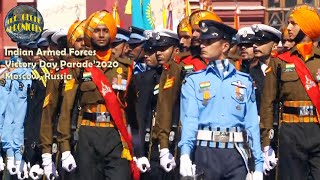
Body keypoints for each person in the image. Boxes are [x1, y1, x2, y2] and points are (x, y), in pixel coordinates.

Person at [55, 10, 139, 180]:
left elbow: (133, 111)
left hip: (116, 137)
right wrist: (64, 147)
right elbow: (66, 109)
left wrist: (138, 150)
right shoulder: (79, 67)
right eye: (97, 30)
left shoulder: (125, 68)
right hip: (88, 135)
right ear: (90, 34)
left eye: (105, 30)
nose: (101, 35)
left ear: (112, 34)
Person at [178, 19, 263, 180]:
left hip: (236, 153)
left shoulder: (244, 81)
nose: (202, 45)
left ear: (224, 46)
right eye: (202, 41)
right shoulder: (194, 81)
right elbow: (190, 120)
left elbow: (251, 124)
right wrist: (185, 154)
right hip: (206, 153)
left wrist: (258, 165)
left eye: (209, 42)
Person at [260, 4, 320, 180]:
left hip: (317, 130)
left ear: (307, 26)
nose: (288, 28)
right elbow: (268, 103)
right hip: (291, 133)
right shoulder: (279, 62)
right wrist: (266, 142)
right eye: (288, 23)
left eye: (294, 23)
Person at [40, 19, 86, 180]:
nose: (66, 53)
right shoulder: (58, 75)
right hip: (67, 141)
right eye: (63, 49)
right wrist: (46, 154)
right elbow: (48, 116)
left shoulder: (94, 70)